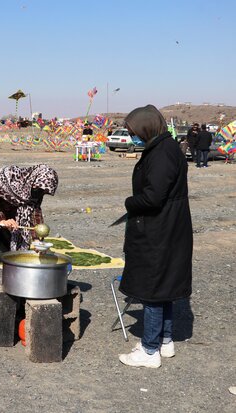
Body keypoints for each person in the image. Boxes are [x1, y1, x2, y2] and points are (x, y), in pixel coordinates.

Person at [118, 104, 192, 369]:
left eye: (134, 131)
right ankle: (165, 340)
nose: (133, 136)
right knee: (165, 288)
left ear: (146, 127)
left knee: (152, 289)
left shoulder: (161, 153)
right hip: (170, 227)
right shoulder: (166, 147)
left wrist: (130, 202)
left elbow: (153, 197)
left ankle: (149, 350)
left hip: (160, 229)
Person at [0, 164, 59, 285]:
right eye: (39, 190)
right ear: (33, 179)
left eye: (43, 192)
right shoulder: (2, 177)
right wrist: (2, 220)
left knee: (13, 256)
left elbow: (35, 211)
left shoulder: (37, 189)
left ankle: (13, 288)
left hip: (11, 222)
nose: (39, 193)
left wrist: (37, 239)